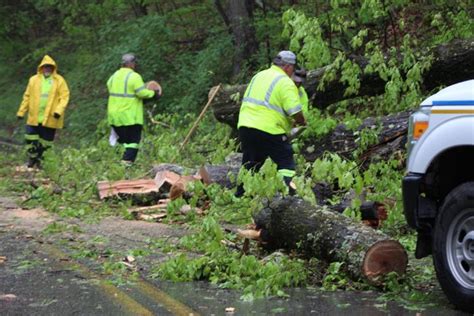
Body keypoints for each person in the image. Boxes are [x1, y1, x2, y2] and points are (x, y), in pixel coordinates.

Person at [236, 50, 306, 196]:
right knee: (285, 161)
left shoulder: (259, 75)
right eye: (292, 68)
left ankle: (240, 196)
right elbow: (294, 110)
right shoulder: (285, 81)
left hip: (245, 126)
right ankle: (288, 193)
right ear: (287, 67)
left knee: (250, 164)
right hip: (269, 129)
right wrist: (302, 121)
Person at [17, 55, 70, 168]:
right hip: (34, 117)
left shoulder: (59, 81)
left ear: (53, 68)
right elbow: (27, 96)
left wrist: (58, 111)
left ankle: (42, 162)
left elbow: (64, 97)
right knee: (30, 138)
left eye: (50, 67)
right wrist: (21, 112)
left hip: (51, 118)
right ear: (41, 67)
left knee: (46, 142)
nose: (47, 69)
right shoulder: (33, 80)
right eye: (45, 67)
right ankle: (32, 159)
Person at [106, 53, 161, 164]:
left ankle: (117, 166)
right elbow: (141, 93)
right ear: (132, 64)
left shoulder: (114, 76)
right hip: (130, 117)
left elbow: (109, 86)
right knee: (133, 142)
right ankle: (126, 166)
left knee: (122, 142)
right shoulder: (134, 76)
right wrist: (153, 94)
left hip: (114, 117)